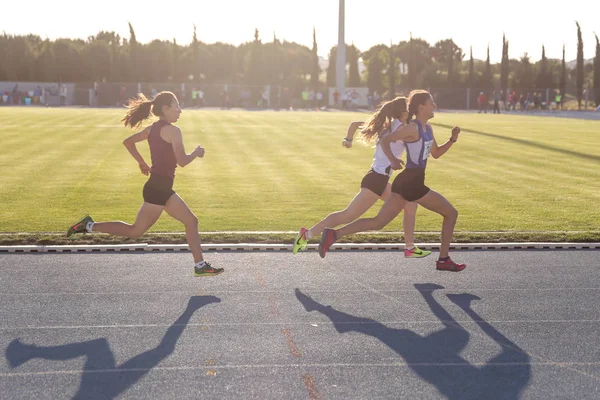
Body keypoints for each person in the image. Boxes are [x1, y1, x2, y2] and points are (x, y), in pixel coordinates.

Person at [66, 91, 223, 277]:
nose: (180, 110)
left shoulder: (152, 129)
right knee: (135, 231)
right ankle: (89, 225)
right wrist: (196, 153)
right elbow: (182, 161)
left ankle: (200, 265)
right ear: (165, 109)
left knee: (191, 221)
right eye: (177, 106)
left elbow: (128, 142)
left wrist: (141, 162)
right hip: (158, 189)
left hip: (161, 188)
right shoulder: (174, 131)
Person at [318, 90, 466, 271]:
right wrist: (393, 160)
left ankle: (334, 234)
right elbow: (387, 140)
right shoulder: (412, 128)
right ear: (421, 106)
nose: (435, 106)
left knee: (378, 222)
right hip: (412, 183)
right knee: (451, 213)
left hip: (407, 182)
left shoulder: (428, 129)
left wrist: (452, 139)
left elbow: (435, 154)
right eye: (432, 103)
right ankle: (443, 259)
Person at [293, 96, 431, 259]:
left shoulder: (386, 126)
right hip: (376, 181)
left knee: (410, 206)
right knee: (346, 216)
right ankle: (306, 235)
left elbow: (353, 125)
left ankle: (410, 247)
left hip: (380, 180)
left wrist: (348, 140)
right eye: (409, 109)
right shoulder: (400, 129)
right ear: (403, 112)